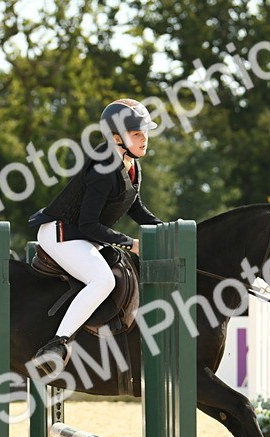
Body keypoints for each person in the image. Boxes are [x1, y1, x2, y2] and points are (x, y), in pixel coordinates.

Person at [27, 98, 164, 366]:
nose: (144, 139)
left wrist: (165, 229)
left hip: (84, 234)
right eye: (136, 134)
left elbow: (135, 207)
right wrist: (131, 243)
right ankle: (57, 344)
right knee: (103, 281)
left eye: (145, 132)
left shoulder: (131, 163)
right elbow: (89, 224)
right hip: (62, 233)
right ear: (116, 138)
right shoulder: (103, 168)